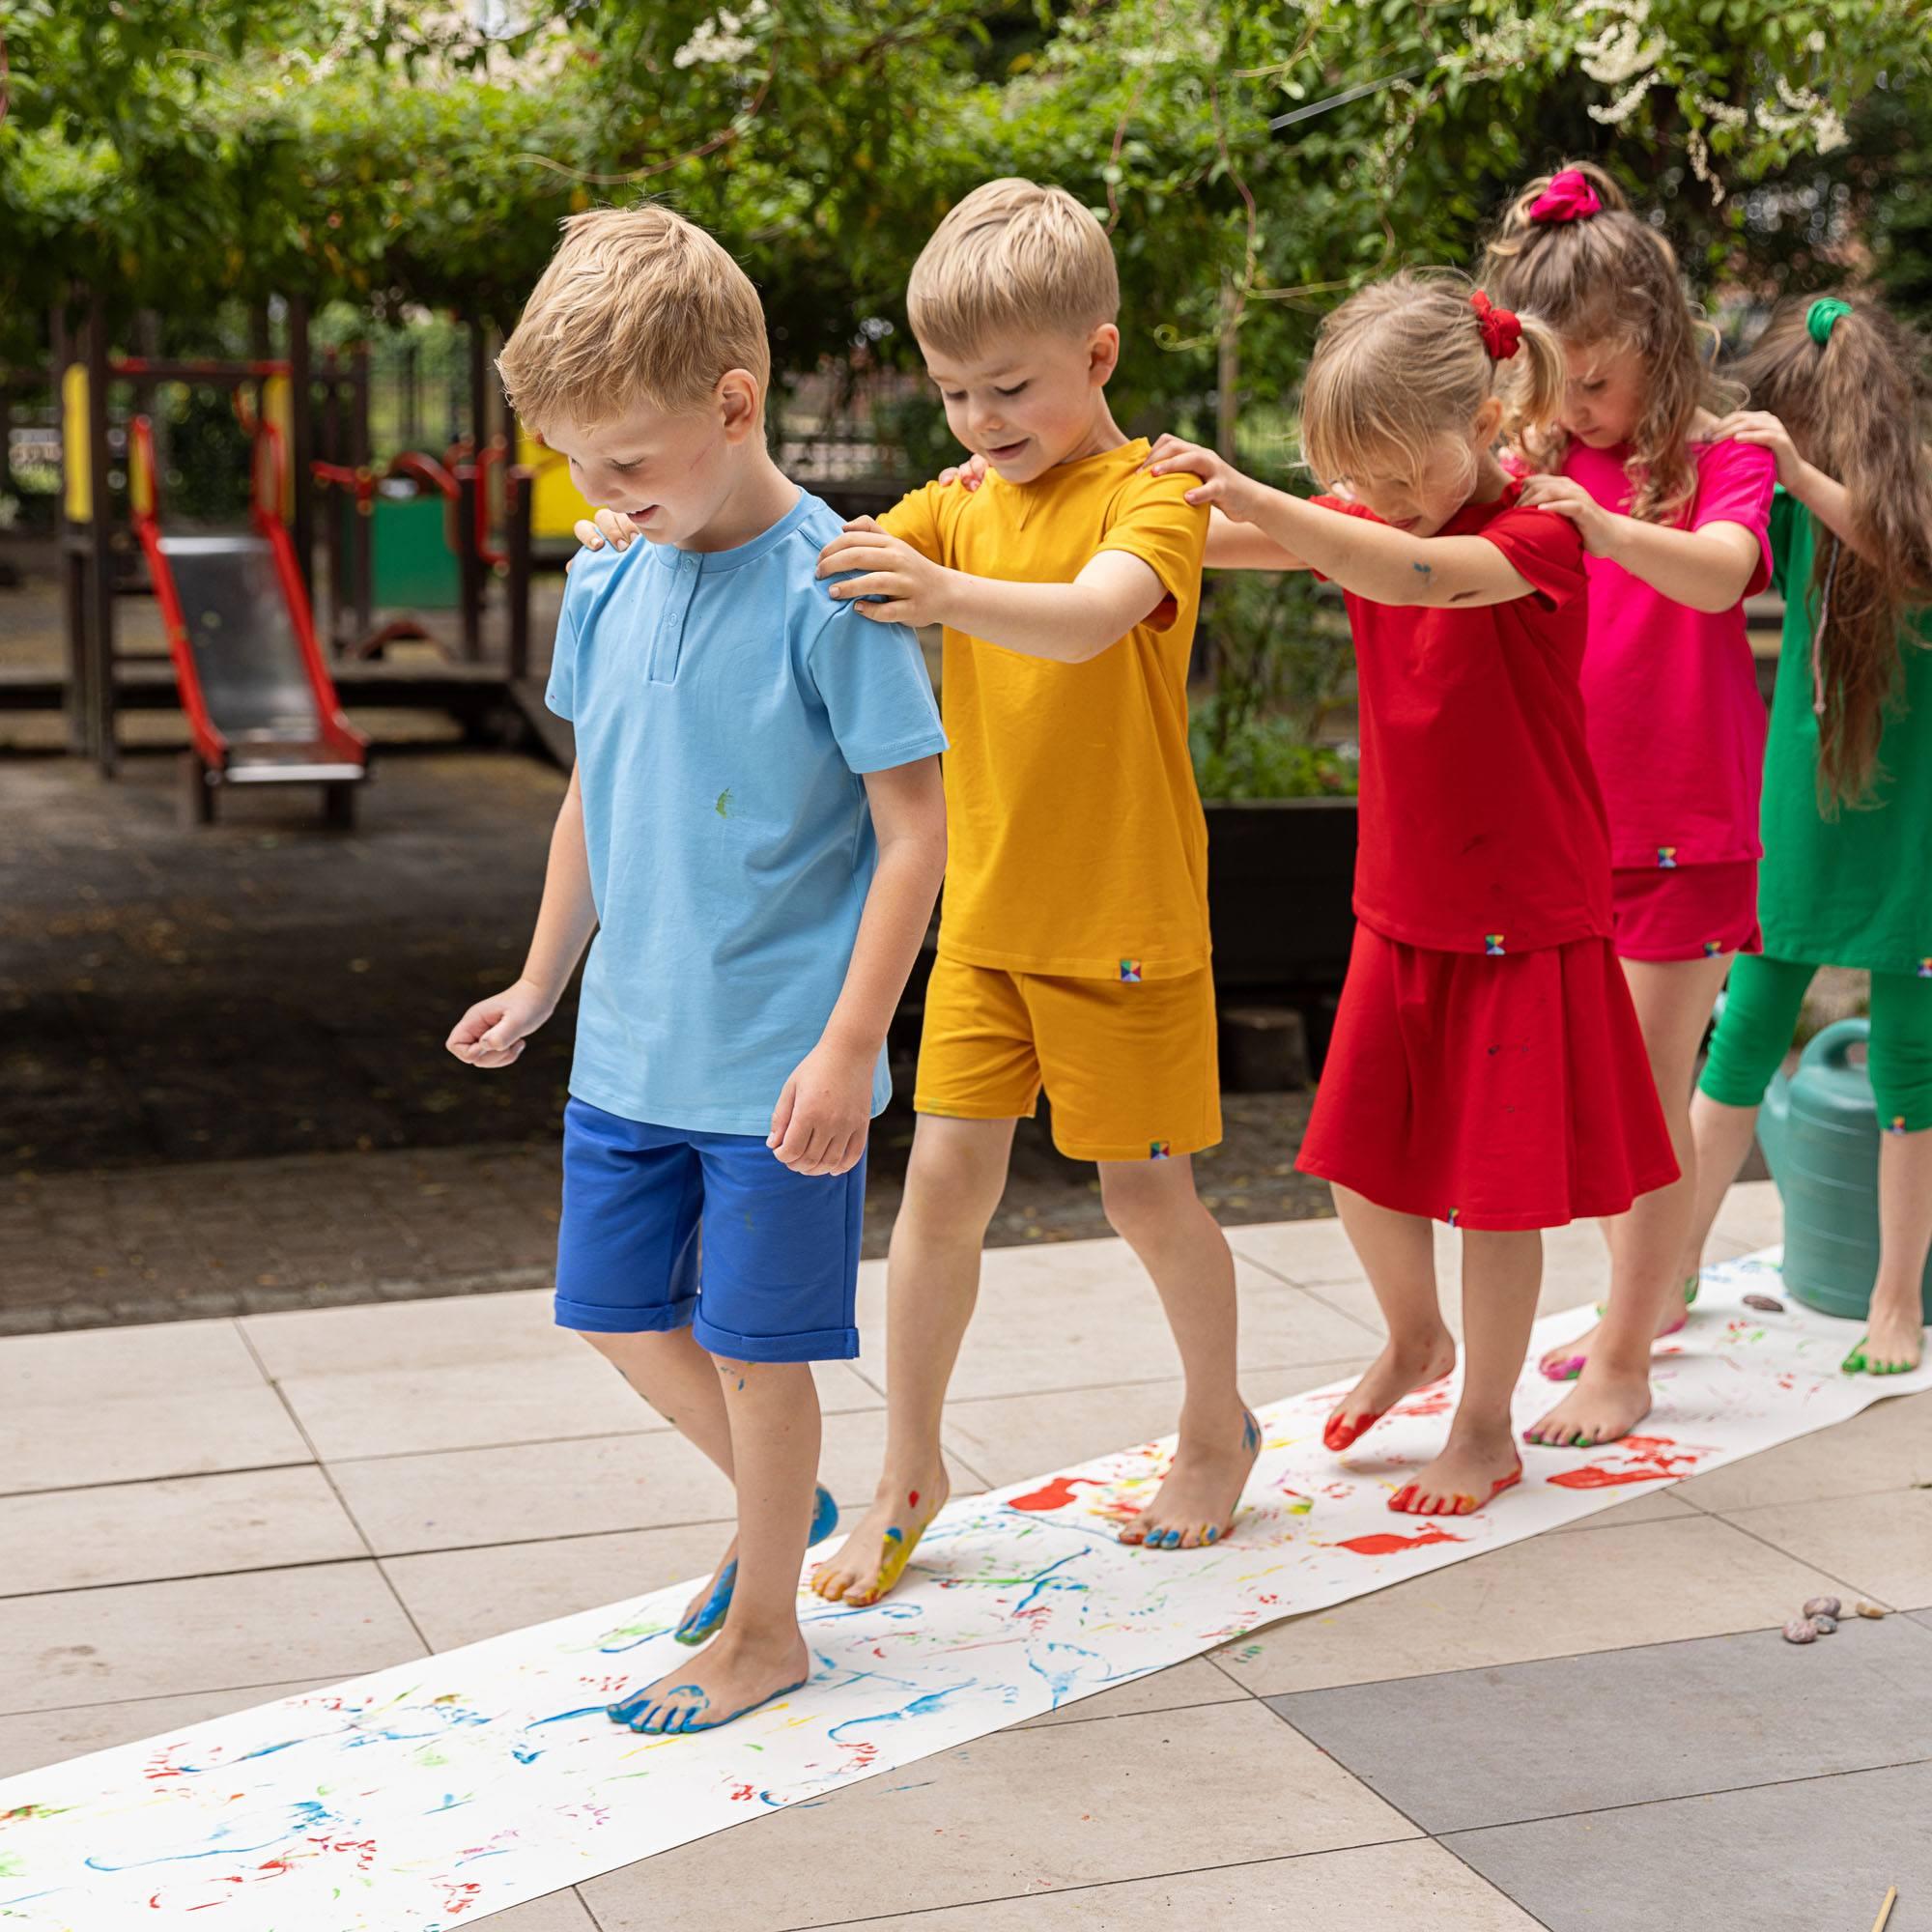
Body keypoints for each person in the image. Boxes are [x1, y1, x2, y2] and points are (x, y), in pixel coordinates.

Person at [447, 206, 948, 1733]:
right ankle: (777, 1518)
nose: (601, 499)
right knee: (609, 1311)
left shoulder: (837, 588)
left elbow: (917, 834)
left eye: (630, 463)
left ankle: (770, 1637)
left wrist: (852, 1044)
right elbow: (594, 800)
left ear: (734, 404)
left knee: (752, 1349)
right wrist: (541, 986)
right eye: (581, 470)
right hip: (631, 1049)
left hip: (776, 1062)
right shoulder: (610, 577)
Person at [1139, 270, 1677, 1515]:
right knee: (1358, 1160)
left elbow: (1404, 574)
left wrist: (1271, 496)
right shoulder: (1374, 518)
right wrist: (1093, 487)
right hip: (1402, 895)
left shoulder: (1533, 535)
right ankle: (1413, 1336)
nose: (1370, 500)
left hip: (1523, 906)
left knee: (1496, 1191)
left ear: (1485, 426)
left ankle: (1483, 1420)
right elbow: (1231, 539)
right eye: (1356, 479)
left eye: (1391, 475)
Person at [1480, 163, 1778, 1448]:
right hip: (1566, 826)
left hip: (1683, 825)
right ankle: (1637, 1307)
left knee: (1652, 1103)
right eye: (1555, 390)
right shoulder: (1533, 464)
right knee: (1602, 1104)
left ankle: (1622, 1353)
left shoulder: (1715, 461)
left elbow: (1721, 581)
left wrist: (1600, 531)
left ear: (1659, 348)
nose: (1578, 411)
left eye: (1596, 384)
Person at [1682, 296, 1932, 1376]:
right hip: (1799, 797)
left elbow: (1909, 555)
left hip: (1910, 811)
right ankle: (1669, 1266)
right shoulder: (1781, 497)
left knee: (1910, 1064)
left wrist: (1792, 470)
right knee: (1741, 1032)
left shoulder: (1910, 488)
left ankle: (1891, 1299)